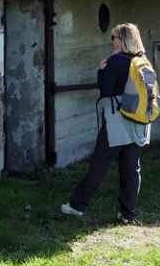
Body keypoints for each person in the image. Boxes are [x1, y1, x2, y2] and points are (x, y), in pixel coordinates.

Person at [60, 23, 151, 224]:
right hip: (139, 121)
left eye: (114, 37)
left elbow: (106, 90)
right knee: (131, 168)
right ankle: (128, 213)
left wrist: (102, 71)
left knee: (99, 164)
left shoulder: (115, 61)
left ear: (121, 39)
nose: (112, 40)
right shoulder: (142, 61)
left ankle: (77, 206)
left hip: (116, 121)